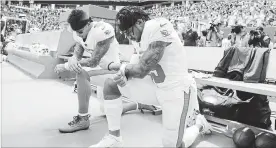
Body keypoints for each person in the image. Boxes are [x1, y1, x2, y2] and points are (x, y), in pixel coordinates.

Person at [90, 6, 212, 148]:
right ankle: (114, 138)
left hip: (176, 90)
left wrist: (123, 69)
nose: (128, 36)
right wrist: (125, 76)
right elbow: (134, 66)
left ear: (140, 22)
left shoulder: (157, 26)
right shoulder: (139, 38)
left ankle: (199, 125)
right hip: (155, 88)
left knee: (172, 145)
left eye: (129, 31)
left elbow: (141, 69)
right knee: (111, 85)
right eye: (125, 33)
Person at [54, 9, 156, 133]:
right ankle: (139, 104)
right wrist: (74, 58)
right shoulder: (78, 32)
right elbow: (79, 45)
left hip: (113, 71)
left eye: (80, 31)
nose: (79, 34)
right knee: (107, 111)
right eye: (76, 32)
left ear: (88, 24)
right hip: (100, 72)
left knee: (82, 73)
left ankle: (83, 119)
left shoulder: (102, 31)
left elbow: (93, 61)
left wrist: (66, 66)